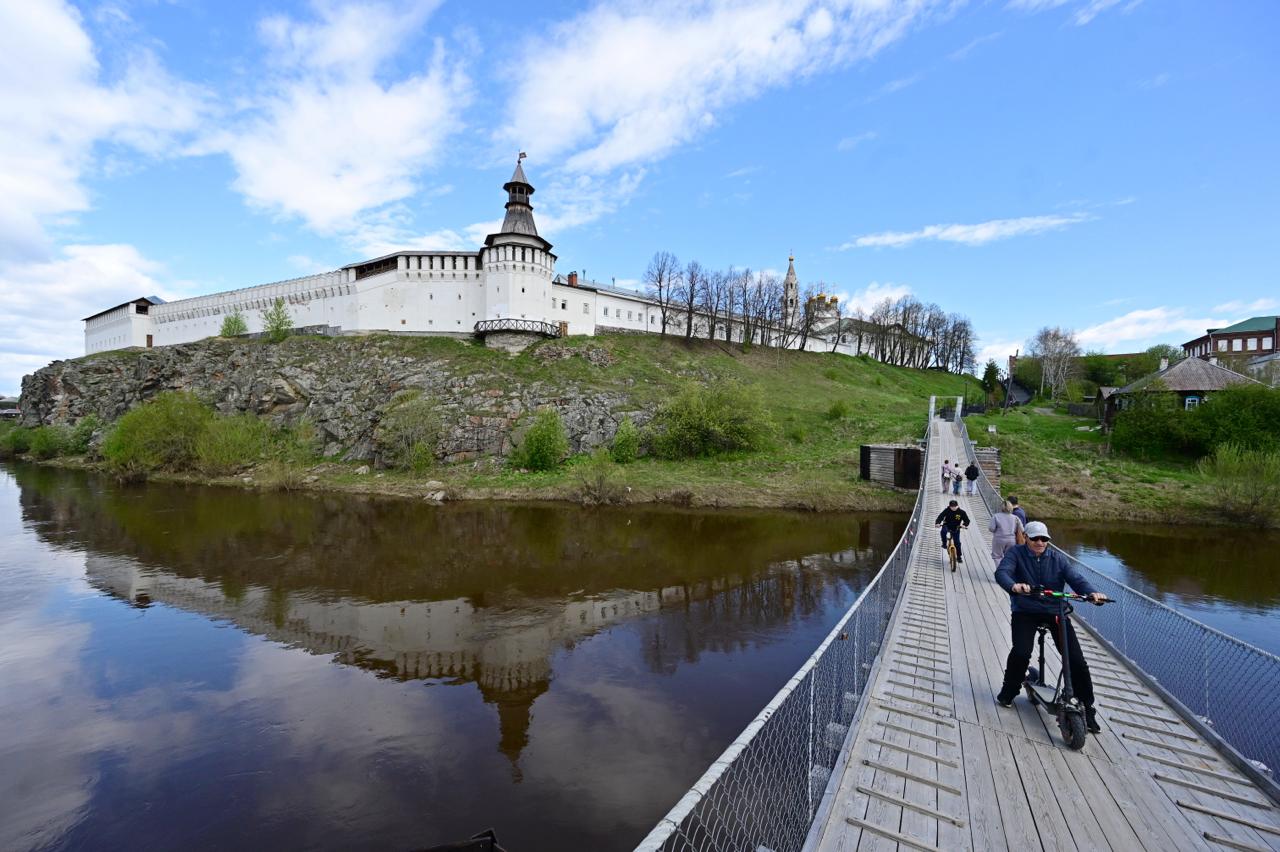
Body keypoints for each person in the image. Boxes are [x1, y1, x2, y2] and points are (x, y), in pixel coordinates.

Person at [993, 521, 1109, 733]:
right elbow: (1002, 573)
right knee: (1021, 652)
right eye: (1035, 538)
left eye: (1044, 539)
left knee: (1076, 660)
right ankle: (1009, 690)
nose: (1040, 542)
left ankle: (1086, 708)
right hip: (1025, 610)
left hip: (1055, 610)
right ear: (1025, 537)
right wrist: (1014, 586)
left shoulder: (1057, 558)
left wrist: (1092, 593)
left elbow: (1076, 579)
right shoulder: (1016, 554)